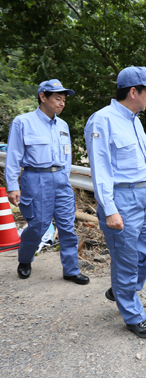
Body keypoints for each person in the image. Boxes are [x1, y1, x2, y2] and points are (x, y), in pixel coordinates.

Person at [84, 66, 146, 338]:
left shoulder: (134, 119)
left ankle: (121, 289)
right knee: (127, 259)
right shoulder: (102, 121)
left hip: (144, 194)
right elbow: (101, 169)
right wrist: (110, 209)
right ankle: (132, 315)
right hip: (120, 197)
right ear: (133, 92)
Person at [4, 79, 89, 285]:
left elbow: (67, 155)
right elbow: (14, 155)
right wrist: (13, 186)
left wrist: (64, 178)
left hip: (60, 178)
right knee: (38, 225)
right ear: (43, 97)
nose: (62, 103)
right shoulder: (23, 122)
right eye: (57, 98)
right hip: (35, 177)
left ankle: (71, 269)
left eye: (63, 100)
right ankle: (25, 259)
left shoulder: (62, 125)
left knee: (67, 226)